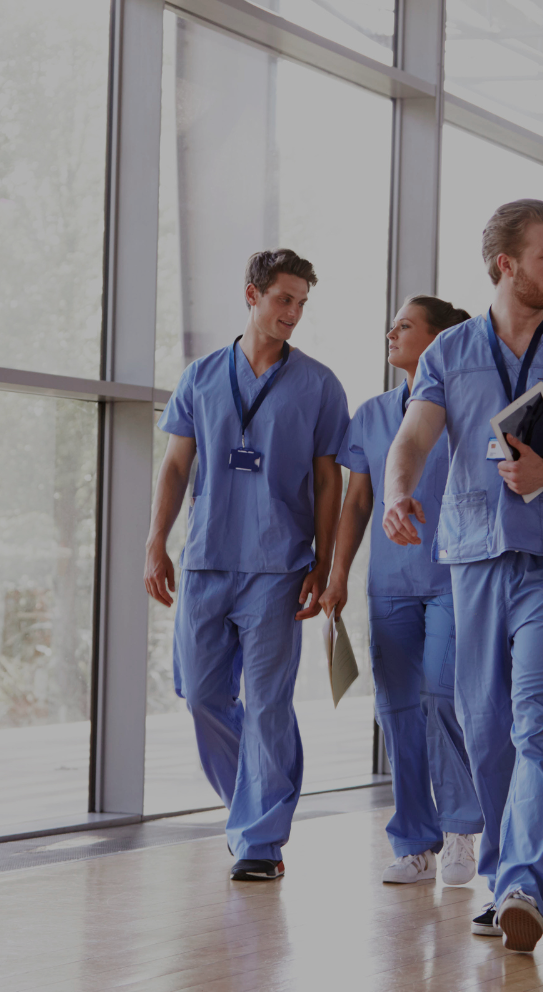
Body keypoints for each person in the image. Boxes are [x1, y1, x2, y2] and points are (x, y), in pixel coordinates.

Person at [382, 200, 543, 951]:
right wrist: (399, 492)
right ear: (507, 264)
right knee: (487, 728)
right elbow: (413, 437)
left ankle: (526, 881)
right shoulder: (450, 352)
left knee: (537, 722)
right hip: (472, 558)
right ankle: (501, 878)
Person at [144, 249, 349, 883]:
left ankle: (261, 838)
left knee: (266, 705)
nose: (293, 313)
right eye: (283, 299)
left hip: (279, 566)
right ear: (252, 296)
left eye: (301, 303)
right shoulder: (202, 376)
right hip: (207, 560)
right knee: (203, 695)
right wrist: (156, 542)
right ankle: (248, 809)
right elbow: (178, 466)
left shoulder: (319, 384)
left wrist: (323, 560)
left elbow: (327, 481)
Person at [320, 295, 484, 887]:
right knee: (396, 712)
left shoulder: (467, 410)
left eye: (406, 325)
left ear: (441, 340)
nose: (392, 332)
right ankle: (416, 840)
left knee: (442, 696)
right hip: (388, 586)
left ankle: (464, 827)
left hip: (453, 578)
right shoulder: (370, 414)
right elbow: (357, 501)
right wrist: (338, 577)